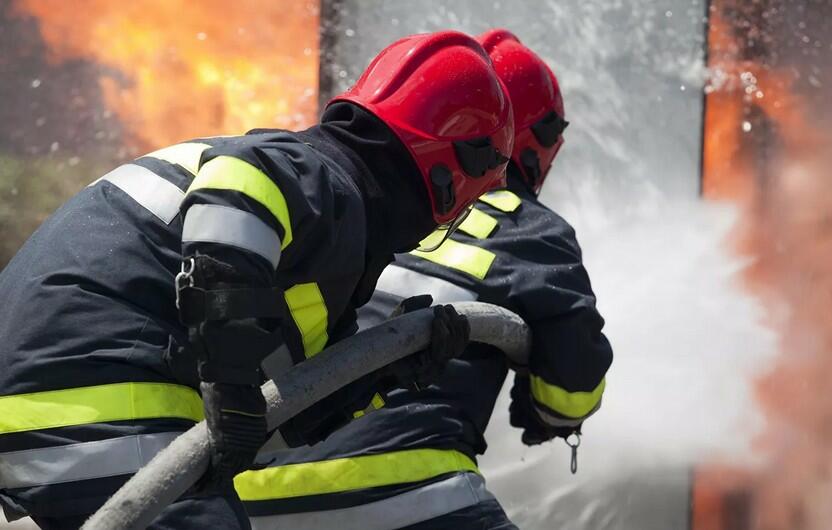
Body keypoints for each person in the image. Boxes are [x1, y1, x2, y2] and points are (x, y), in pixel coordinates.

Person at [0, 31, 513, 529]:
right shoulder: (319, 177)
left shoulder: (308, 242)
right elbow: (239, 185)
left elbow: (267, 425)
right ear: (450, 175)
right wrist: (230, 381)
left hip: (49, 394)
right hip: (93, 390)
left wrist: (386, 373)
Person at [238, 29, 613, 530]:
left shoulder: (353, 204)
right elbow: (571, 391)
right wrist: (543, 410)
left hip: (247, 495)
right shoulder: (529, 229)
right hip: (402, 490)